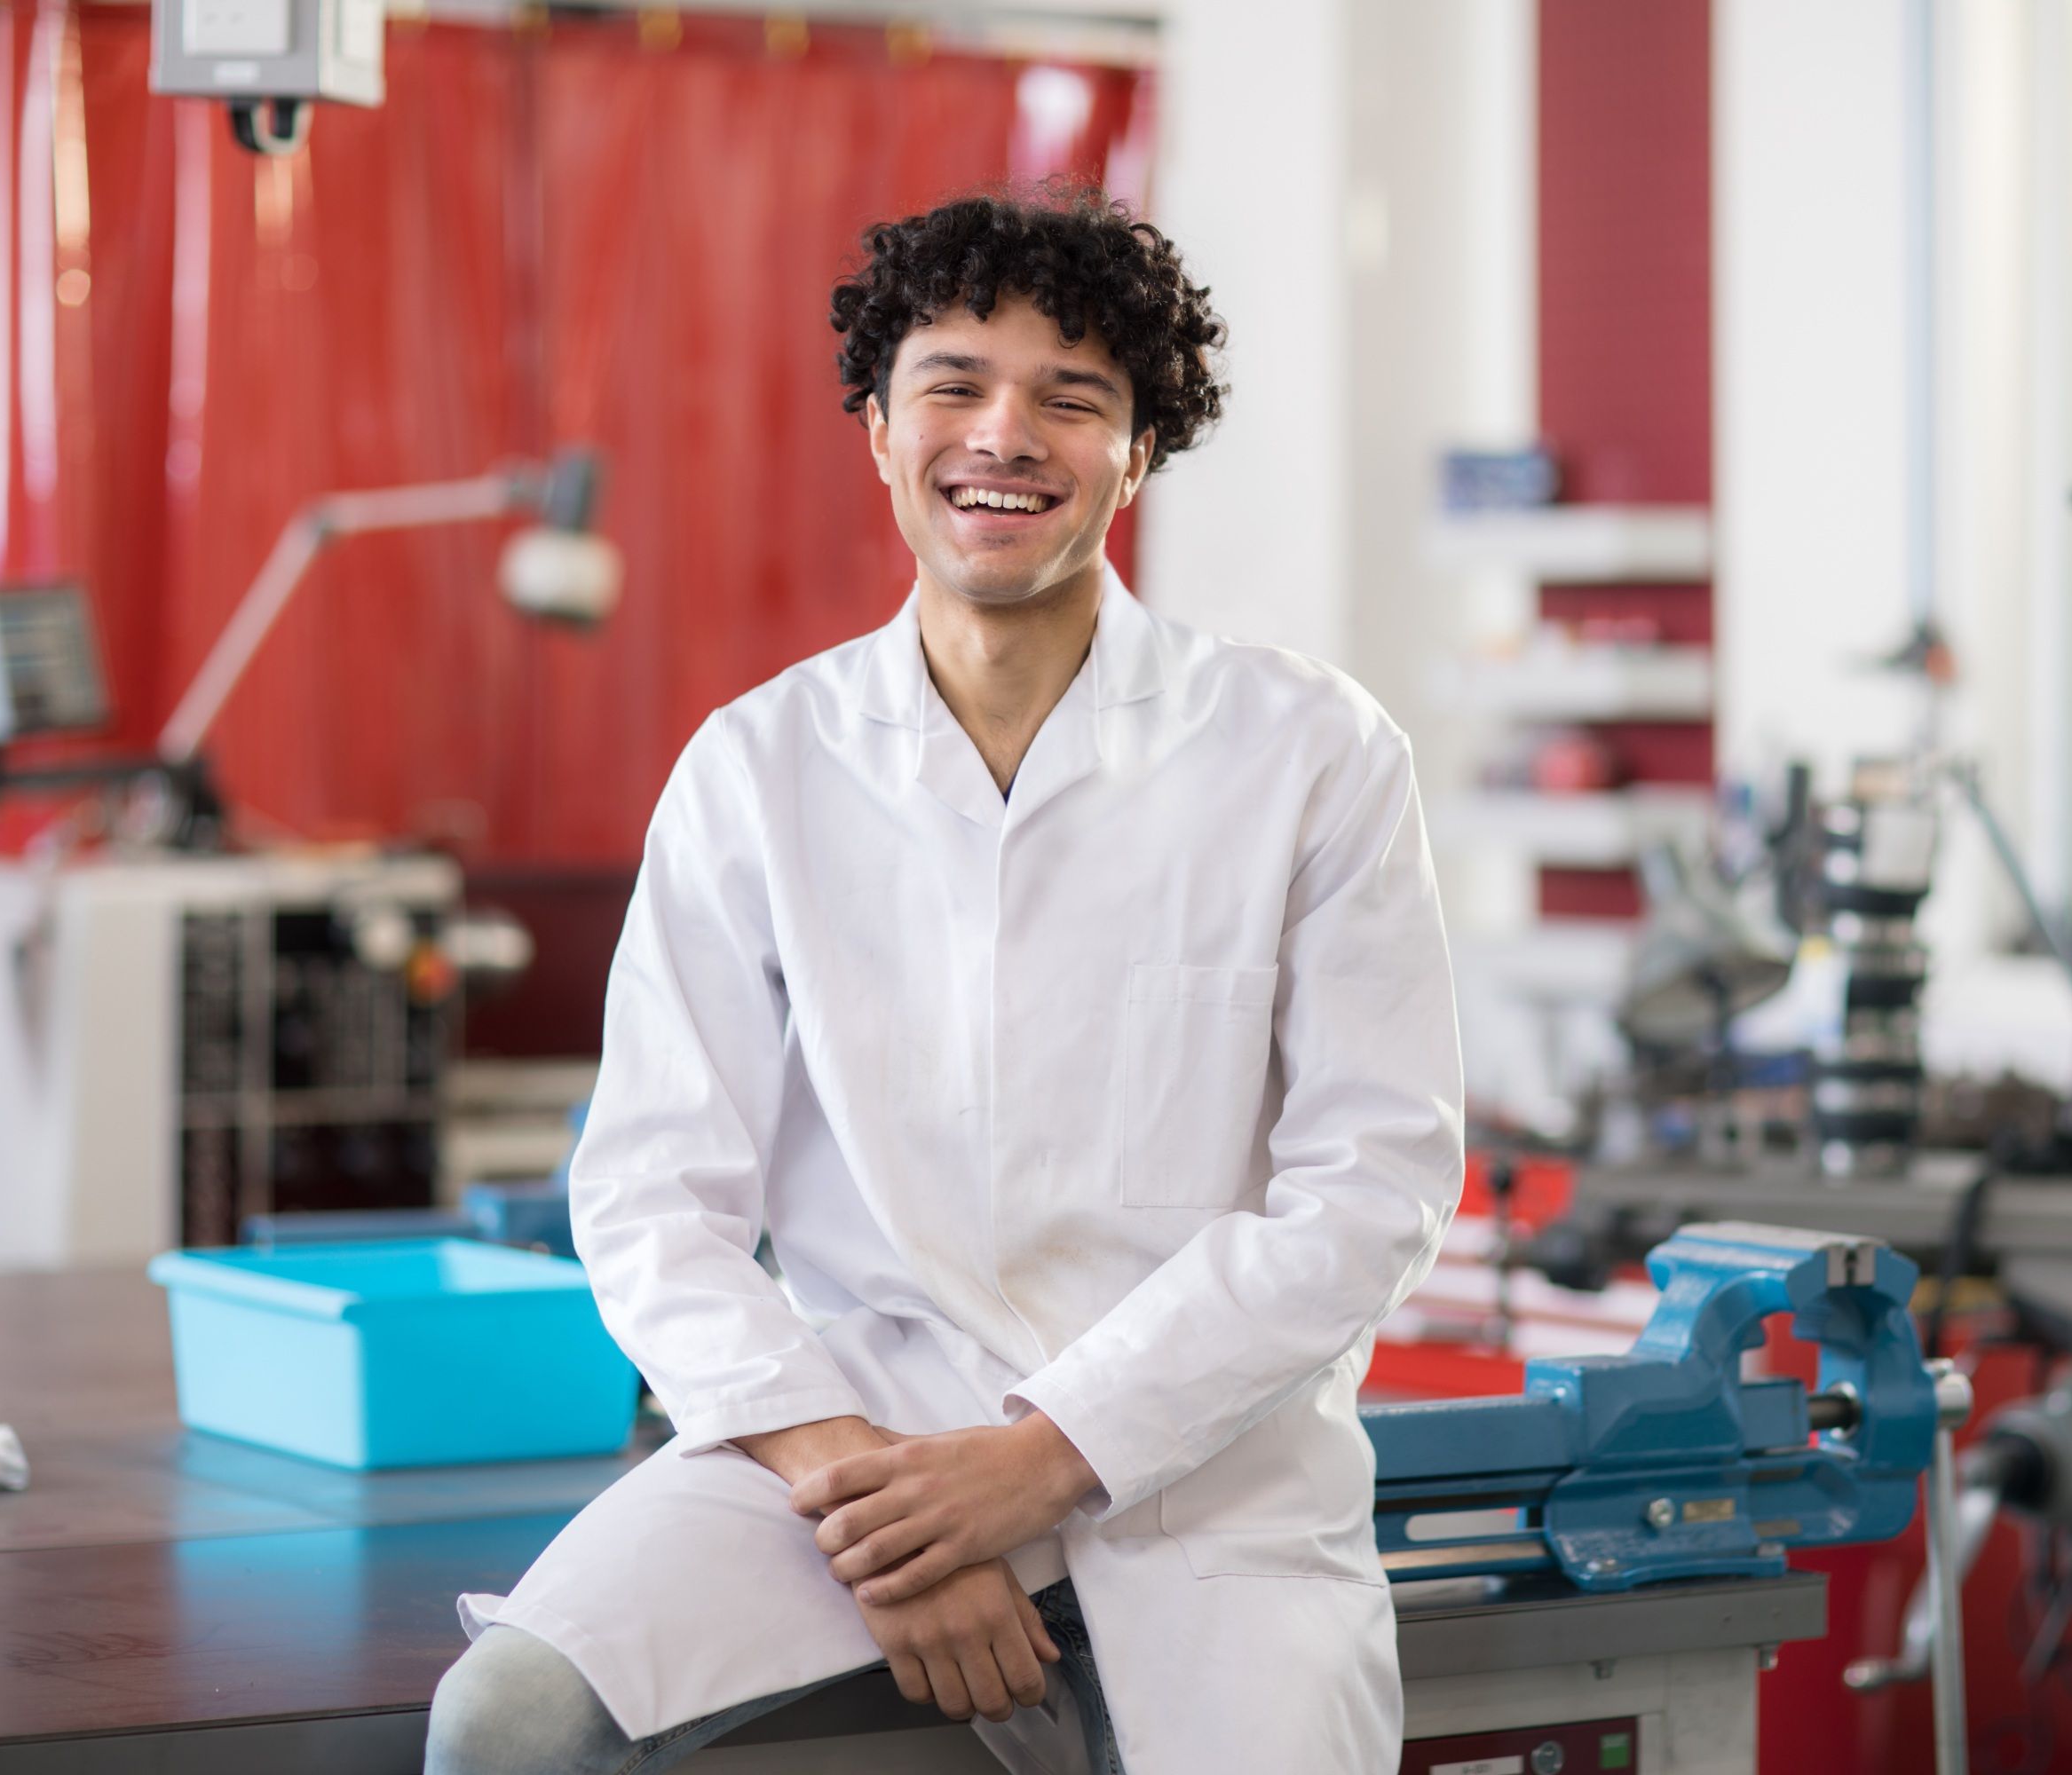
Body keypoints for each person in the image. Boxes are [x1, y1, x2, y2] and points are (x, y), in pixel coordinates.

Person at [423, 187, 1465, 1774]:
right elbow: (648, 1197)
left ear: (1140, 455)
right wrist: (879, 1509)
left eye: (1073, 397)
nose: (1006, 434)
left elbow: (1371, 1188)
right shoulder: (756, 768)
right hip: (844, 1445)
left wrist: (1044, 1462)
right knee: (508, 1722)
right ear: (880, 429)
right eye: (954, 385)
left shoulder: (1310, 753)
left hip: (1200, 1482)